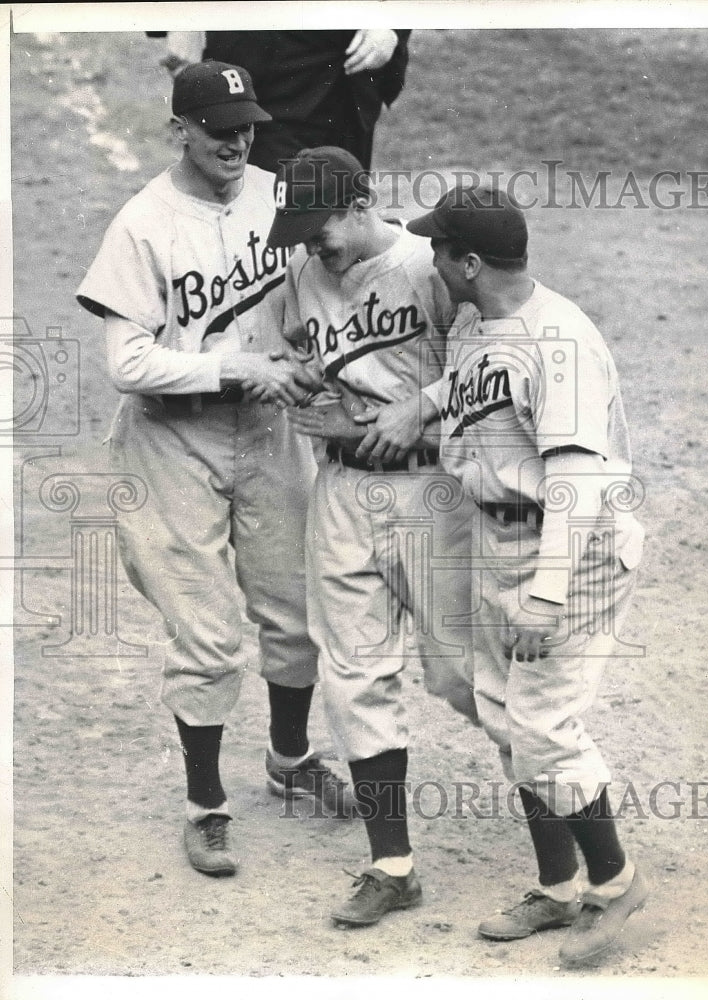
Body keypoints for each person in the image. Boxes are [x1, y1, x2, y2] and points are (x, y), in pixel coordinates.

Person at [76, 61, 356, 880]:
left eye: (246, 125)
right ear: (180, 131)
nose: (237, 140)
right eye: (218, 127)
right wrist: (237, 369)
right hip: (172, 443)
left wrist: (313, 356)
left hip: (270, 432)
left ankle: (290, 757)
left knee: (297, 611)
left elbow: (321, 298)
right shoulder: (143, 224)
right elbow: (126, 362)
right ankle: (206, 805)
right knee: (206, 637)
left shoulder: (276, 196)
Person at [393, 184, 649, 964]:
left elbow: (574, 480)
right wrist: (423, 405)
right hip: (503, 539)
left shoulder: (559, 341)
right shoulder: (485, 320)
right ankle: (558, 886)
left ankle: (616, 885)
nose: (430, 258)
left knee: (544, 728)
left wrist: (546, 596)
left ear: (469, 262)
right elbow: (475, 386)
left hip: (570, 549)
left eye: (439, 248)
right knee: (507, 717)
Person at [261, 146, 477, 926]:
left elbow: (504, 358)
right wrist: (303, 379)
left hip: (432, 491)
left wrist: (416, 407)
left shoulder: (430, 264)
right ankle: (393, 865)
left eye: (318, 226)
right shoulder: (303, 273)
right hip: (343, 491)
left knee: (465, 675)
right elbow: (287, 344)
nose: (309, 244)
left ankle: (573, 825)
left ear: (360, 204)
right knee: (354, 672)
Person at [148, 30, 411, 170]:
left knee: (340, 222)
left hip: (350, 73)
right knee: (260, 222)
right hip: (262, 69)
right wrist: (180, 15)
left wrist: (391, 21)